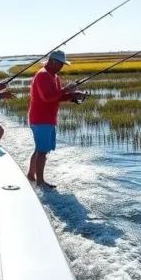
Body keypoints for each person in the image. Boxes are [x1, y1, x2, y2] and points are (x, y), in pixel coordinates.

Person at [26, 50, 85, 188]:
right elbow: (47, 97)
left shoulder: (54, 76)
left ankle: (31, 174)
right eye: (60, 64)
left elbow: (56, 96)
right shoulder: (42, 75)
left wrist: (73, 95)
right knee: (42, 151)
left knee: (40, 149)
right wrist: (66, 90)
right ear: (52, 61)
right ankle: (40, 182)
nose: (62, 67)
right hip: (41, 119)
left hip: (48, 119)